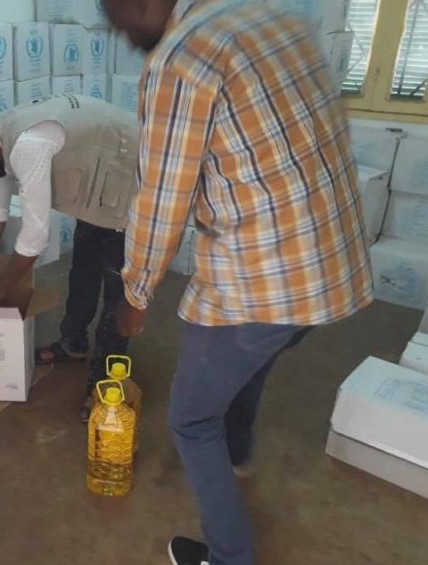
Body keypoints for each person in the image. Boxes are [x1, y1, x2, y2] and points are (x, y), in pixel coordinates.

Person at [103, 1, 374, 564]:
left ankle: (229, 558)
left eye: (120, 15)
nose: (121, 32)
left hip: (262, 276)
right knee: (251, 357)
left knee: (191, 417)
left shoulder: (183, 56)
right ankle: (238, 453)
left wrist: (136, 293)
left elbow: (162, 199)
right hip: (331, 266)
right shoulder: (273, 15)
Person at [0, 94, 141, 421]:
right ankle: (73, 343)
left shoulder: (26, 145)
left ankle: (104, 386)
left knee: (117, 294)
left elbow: (35, 236)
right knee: (83, 270)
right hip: (98, 183)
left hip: (130, 177)